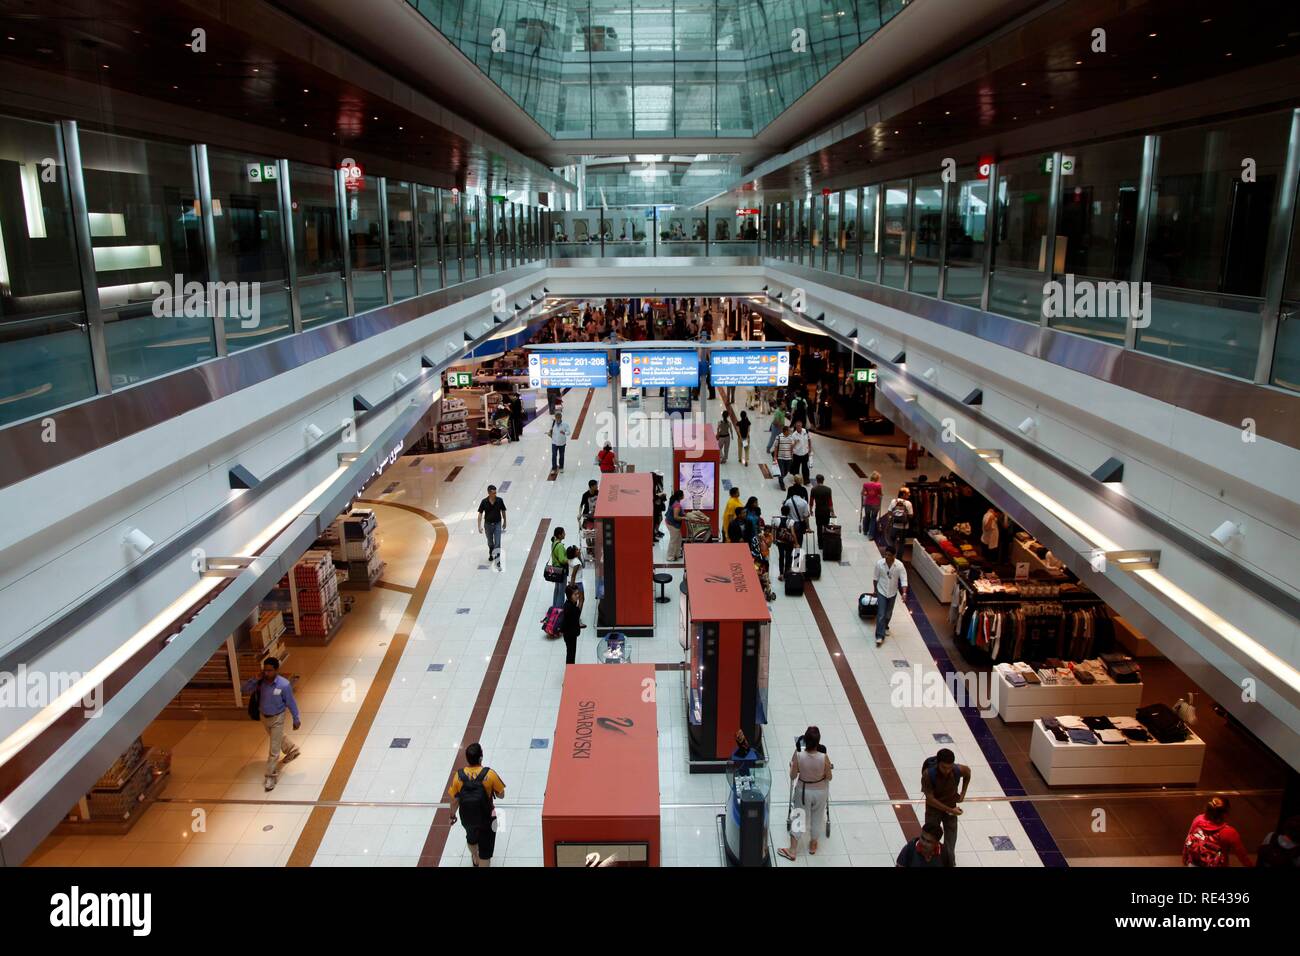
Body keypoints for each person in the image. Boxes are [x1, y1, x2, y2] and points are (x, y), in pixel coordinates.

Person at [242, 657, 301, 792]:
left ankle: (270, 776)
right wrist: (255, 679)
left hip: (277, 718)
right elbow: (244, 689)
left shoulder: (284, 685)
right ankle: (292, 749)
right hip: (264, 717)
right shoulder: (259, 682)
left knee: (273, 749)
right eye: (265, 670)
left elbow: (291, 702)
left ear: (276, 670)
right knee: (277, 737)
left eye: (270, 670)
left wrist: (296, 719)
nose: (267, 673)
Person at [448, 742, 506, 868]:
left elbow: (454, 800)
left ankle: (475, 856)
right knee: (485, 854)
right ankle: (481, 858)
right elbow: (502, 795)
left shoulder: (459, 776)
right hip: (487, 818)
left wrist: (452, 816)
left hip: (467, 817)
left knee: (471, 838)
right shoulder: (489, 774)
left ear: (467, 759)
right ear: (481, 758)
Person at [778, 726, 831, 861]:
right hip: (820, 792)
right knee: (817, 817)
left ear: (805, 741)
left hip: (803, 791)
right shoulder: (824, 757)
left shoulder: (798, 755)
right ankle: (813, 845)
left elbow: (792, 775)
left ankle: (792, 850)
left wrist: (793, 766)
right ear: (818, 741)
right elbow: (829, 777)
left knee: (799, 818)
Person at [921, 748, 970, 867]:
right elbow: (930, 799)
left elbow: (968, 772)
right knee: (930, 841)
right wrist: (950, 810)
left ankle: (950, 864)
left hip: (951, 810)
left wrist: (963, 793)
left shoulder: (957, 770)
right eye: (944, 767)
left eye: (950, 767)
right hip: (934, 811)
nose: (947, 771)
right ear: (938, 763)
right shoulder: (928, 775)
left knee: (950, 845)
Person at [1183, 796, 1252, 867]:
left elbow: (1188, 839)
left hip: (1195, 862)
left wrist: (1185, 856)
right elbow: (1242, 856)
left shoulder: (1198, 820)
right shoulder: (1229, 832)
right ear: (1225, 814)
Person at [872, 546, 908, 647]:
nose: (887, 557)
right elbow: (875, 578)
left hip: (892, 592)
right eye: (886, 554)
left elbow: (904, 580)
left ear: (894, 556)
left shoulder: (899, 566)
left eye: (889, 555)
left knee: (888, 613)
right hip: (881, 591)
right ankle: (879, 636)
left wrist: (904, 593)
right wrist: (875, 590)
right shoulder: (879, 564)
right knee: (881, 614)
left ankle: (885, 626)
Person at [477, 484, 507, 569]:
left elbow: (503, 511)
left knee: (498, 542)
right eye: (493, 493)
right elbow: (480, 514)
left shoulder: (499, 500)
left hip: (497, 524)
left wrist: (505, 521)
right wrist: (479, 526)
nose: (495, 494)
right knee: (490, 542)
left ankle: (498, 560)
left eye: (495, 493)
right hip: (488, 525)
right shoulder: (484, 502)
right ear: (489, 493)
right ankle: (491, 550)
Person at [560, 583, 584, 664]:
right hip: (570, 635)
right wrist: (581, 602)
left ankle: (571, 669)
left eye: (578, 593)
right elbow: (577, 615)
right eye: (575, 594)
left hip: (570, 633)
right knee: (571, 654)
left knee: (571, 653)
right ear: (569, 595)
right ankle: (570, 671)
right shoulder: (570, 608)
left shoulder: (570, 604)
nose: (577, 596)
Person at [883, 487, 913, 552]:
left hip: (894, 525)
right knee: (902, 543)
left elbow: (889, 512)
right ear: (903, 494)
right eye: (908, 493)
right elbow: (911, 516)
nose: (909, 494)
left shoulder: (894, 501)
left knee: (892, 541)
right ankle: (899, 558)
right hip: (904, 527)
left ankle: (891, 554)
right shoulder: (908, 503)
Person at [775, 503, 799, 582]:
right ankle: (786, 573)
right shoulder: (791, 521)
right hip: (789, 542)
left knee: (781, 557)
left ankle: (781, 574)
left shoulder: (776, 519)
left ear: (781, 511)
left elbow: (774, 530)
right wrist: (796, 543)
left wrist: (774, 539)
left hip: (780, 541)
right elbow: (793, 533)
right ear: (789, 512)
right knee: (788, 557)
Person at [548, 527, 569, 607]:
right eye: (563, 533)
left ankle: (555, 606)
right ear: (560, 535)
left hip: (555, 570)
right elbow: (562, 560)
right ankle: (559, 608)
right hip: (561, 571)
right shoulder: (560, 546)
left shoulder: (554, 543)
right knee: (561, 590)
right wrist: (569, 560)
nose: (565, 534)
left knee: (557, 589)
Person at [861, 470, 883, 539]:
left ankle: (865, 530)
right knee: (873, 518)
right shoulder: (879, 485)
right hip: (876, 504)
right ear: (877, 479)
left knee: (867, 516)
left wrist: (867, 494)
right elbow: (880, 494)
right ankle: (871, 535)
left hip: (867, 503)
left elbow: (862, 493)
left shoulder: (865, 484)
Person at [666, 490, 685, 561]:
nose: (684, 495)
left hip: (670, 522)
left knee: (679, 539)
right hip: (673, 524)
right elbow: (676, 517)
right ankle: (670, 556)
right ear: (680, 496)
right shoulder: (677, 504)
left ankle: (677, 554)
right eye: (683, 494)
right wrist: (685, 518)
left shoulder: (674, 501)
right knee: (673, 540)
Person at [772, 425, 794, 490]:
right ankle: (782, 485)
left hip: (788, 457)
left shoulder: (791, 437)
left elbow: (791, 447)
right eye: (789, 430)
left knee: (786, 471)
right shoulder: (778, 437)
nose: (790, 432)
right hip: (780, 457)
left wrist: (792, 455)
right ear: (785, 431)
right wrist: (775, 456)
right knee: (781, 471)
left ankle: (780, 478)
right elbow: (776, 447)